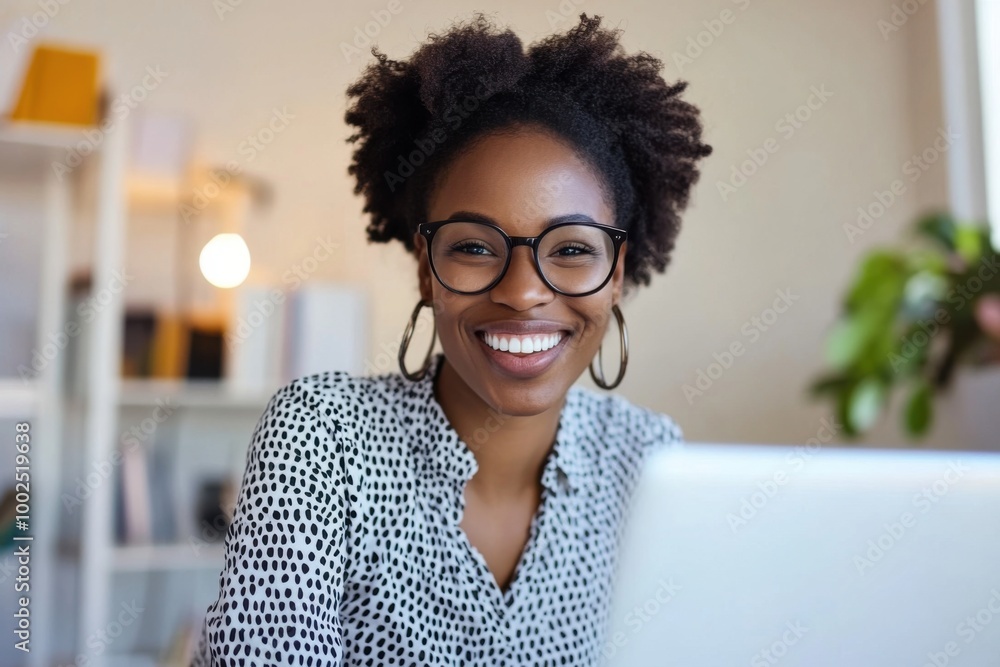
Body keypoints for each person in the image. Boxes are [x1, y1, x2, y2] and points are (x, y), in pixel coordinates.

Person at [191, 12, 711, 666]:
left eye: (573, 248)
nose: (523, 292)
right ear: (424, 268)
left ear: (618, 273)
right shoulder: (324, 437)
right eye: (472, 246)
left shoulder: (652, 463)